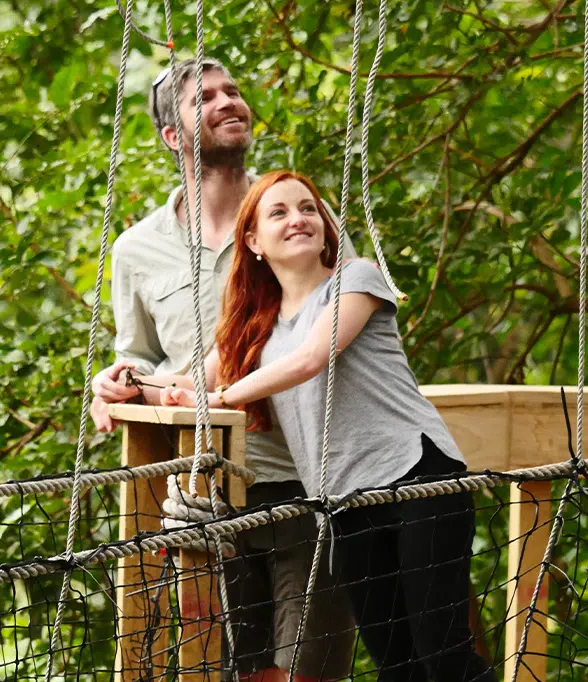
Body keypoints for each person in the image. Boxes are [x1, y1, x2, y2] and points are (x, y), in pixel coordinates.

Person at [117, 170, 495, 682]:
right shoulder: (255, 324)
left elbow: (311, 359)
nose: (299, 219)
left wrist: (220, 396)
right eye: (280, 212)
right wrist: (129, 383)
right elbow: (182, 381)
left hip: (416, 478)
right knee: (396, 662)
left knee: (442, 653)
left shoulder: (355, 279)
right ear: (252, 241)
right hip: (344, 502)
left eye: (308, 208)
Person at [91, 60, 357, 682]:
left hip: (308, 483)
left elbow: (342, 327)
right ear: (172, 136)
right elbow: (143, 354)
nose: (227, 101)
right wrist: (117, 379)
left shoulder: (296, 217)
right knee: (240, 673)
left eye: (233, 91)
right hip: (203, 495)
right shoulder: (135, 250)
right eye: (204, 98)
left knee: (309, 674)